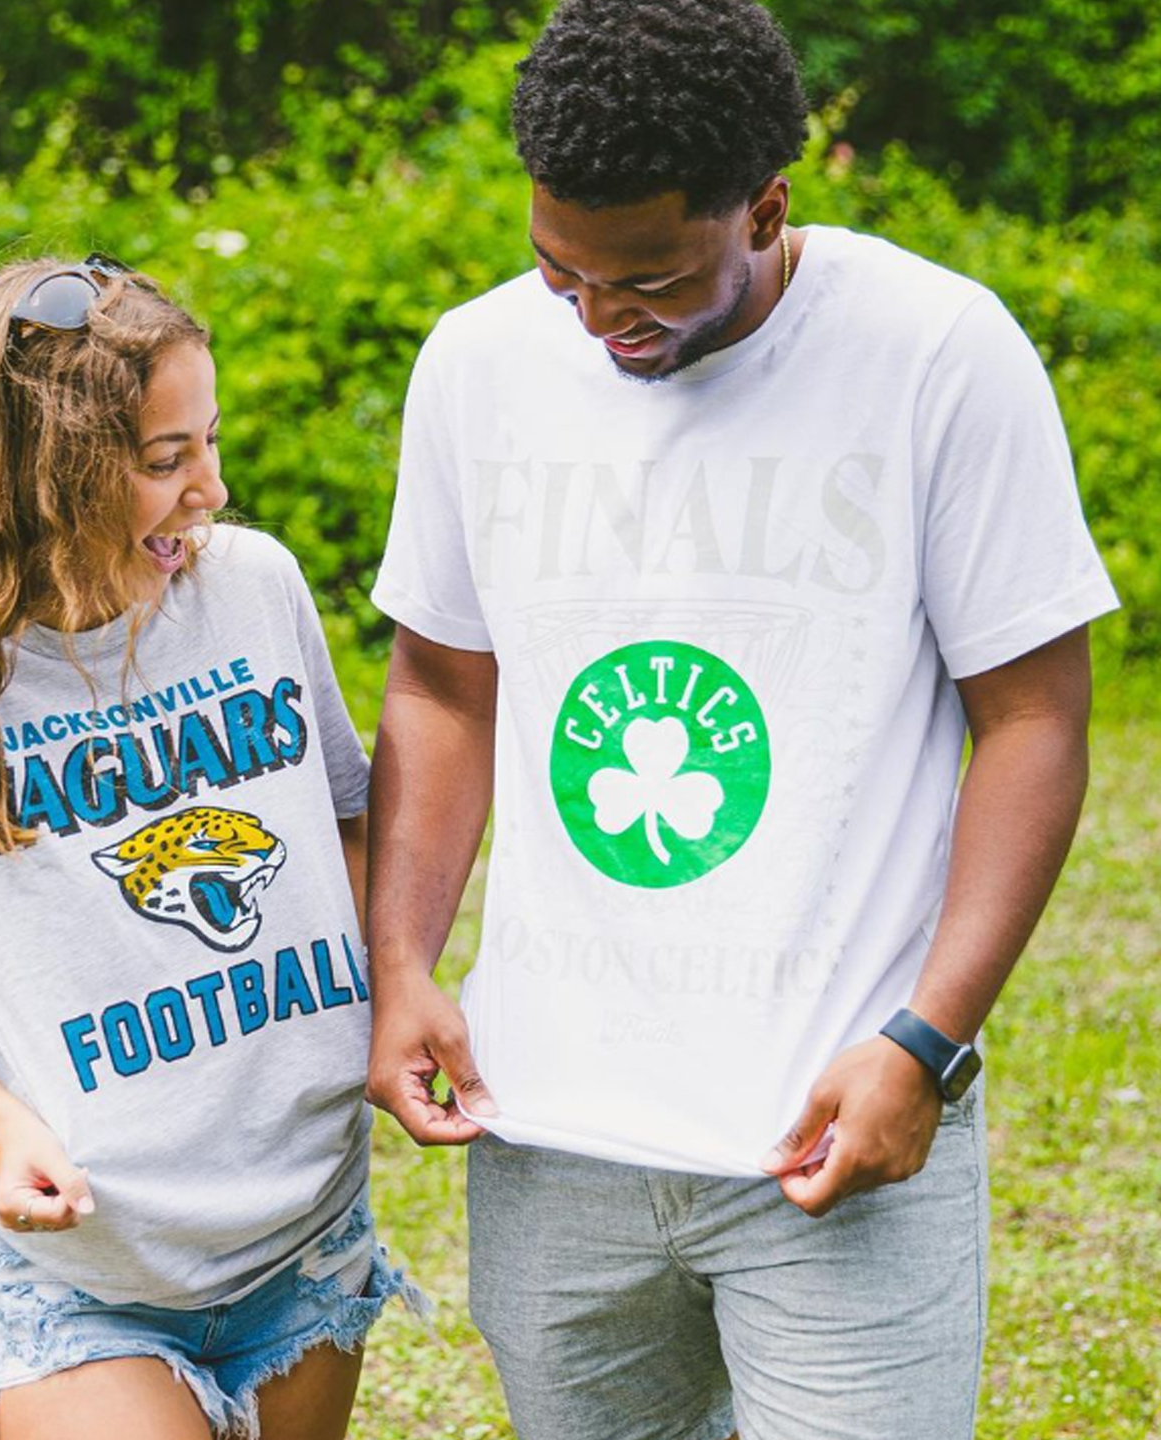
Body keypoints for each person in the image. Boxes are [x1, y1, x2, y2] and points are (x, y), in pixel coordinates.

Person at [364, 2, 1119, 1437]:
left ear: (768, 206)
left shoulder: (938, 353)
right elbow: (444, 684)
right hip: (552, 1138)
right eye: (558, 273)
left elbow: (1031, 718)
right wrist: (400, 960)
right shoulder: (476, 364)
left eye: (645, 278)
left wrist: (926, 1042)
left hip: (832, 1126)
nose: (595, 320)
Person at [0, 254, 417, 1440]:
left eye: (211, 444)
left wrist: (390, 999)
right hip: (82, 1259)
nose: (212, 492)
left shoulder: (254, 587)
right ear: (44, 471)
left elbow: (348, 817)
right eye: (164, 461)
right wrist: (4, 1122)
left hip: (306, 1217)